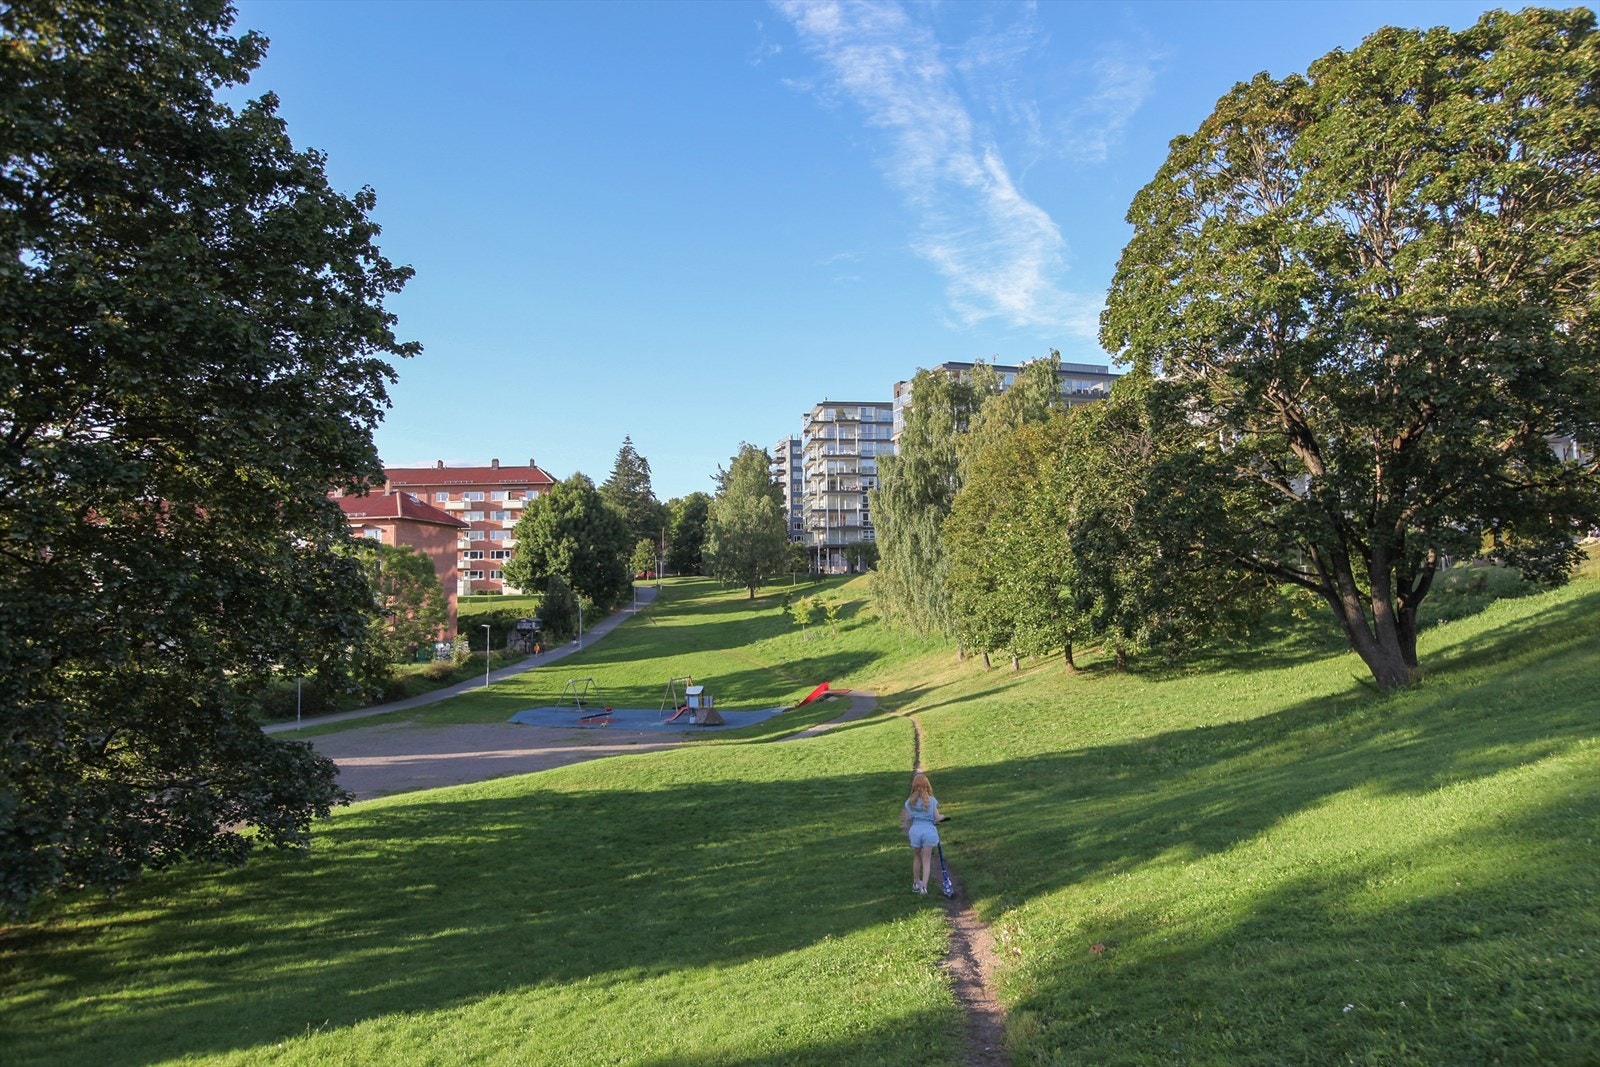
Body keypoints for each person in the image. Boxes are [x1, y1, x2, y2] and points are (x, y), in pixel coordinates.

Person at [900, 771, 939, 895]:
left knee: (917, 857)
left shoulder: (909, 802)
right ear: (927, 786)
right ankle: (924, 887)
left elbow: (907, 818)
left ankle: (916, 882)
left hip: (915, 831)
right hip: (928, 831)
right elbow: (937, 817)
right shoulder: (932, 801)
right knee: (926, 859)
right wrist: (943, 817)